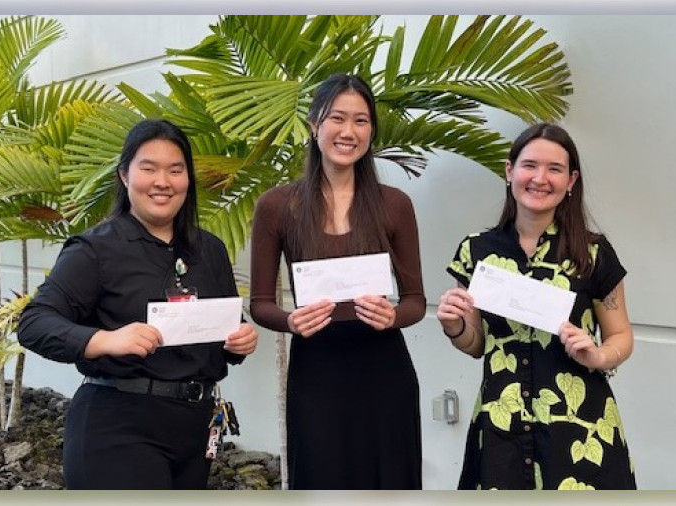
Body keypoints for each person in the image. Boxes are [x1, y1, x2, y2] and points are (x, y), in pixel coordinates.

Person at [17, 119, 258, 490]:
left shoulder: (209, 249)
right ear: (125, 176)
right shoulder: (96, 249)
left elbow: (223, 329)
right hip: (118, 426)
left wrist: (240, 341)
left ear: (187, 180)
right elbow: (34, 323)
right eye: (149, 168)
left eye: (175, 170)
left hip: (195, 430)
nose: (163, 181)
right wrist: (105, 340)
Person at [249, 73, 426, 490]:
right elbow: (260, 303)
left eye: (361, 121)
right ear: (314, 125)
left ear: (372, 131)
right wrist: (291, 321)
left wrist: (393, 315)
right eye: (337, 119)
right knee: (323, 480)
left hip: (384, 367)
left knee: (390, 481)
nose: (349, 132)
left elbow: (416, 301)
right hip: (317, 368)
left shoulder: (394, 204)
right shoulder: (277, 205)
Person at [439, 123, 636, 490]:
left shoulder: (593, 253)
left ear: (571, 180)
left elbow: (621, 335)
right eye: (529, 165)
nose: (540, 178)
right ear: (509, 171)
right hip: (502, 428)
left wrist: (597, 356)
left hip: (579, 427)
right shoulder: (477, 250)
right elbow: (477, 345)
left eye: (555, 169)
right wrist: (455, 326)